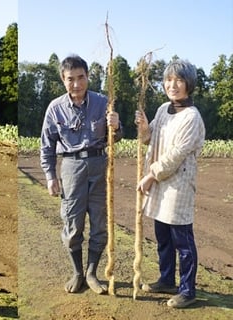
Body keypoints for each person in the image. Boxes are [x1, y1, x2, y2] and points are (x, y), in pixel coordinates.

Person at [40, 55, 122, 295]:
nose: (76, 84)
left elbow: (115, 138)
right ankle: (77, 272)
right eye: (70, 79)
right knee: (73, 223)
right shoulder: (55, 108)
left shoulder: (102, 102)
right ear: (63, 80)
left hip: (99, 165)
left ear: (88, 77)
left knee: (99, 223)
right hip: (71, 168)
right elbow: (46, 145)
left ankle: (92, 273)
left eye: (81, 78)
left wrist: (116, 126)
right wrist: (50, 176)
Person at [135, 59, 205, 308]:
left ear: (189, 85)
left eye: (178, 80)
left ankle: (188, 290)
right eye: (168, 80)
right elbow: (150, 139)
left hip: (178, 185)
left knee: (182, 240)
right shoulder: (163, 109)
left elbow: (175, 155)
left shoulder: (192, 117)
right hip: (160, 184)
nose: (172, 85)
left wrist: (151, 175)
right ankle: (166, 279)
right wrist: (144, 128)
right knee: (162, 236)